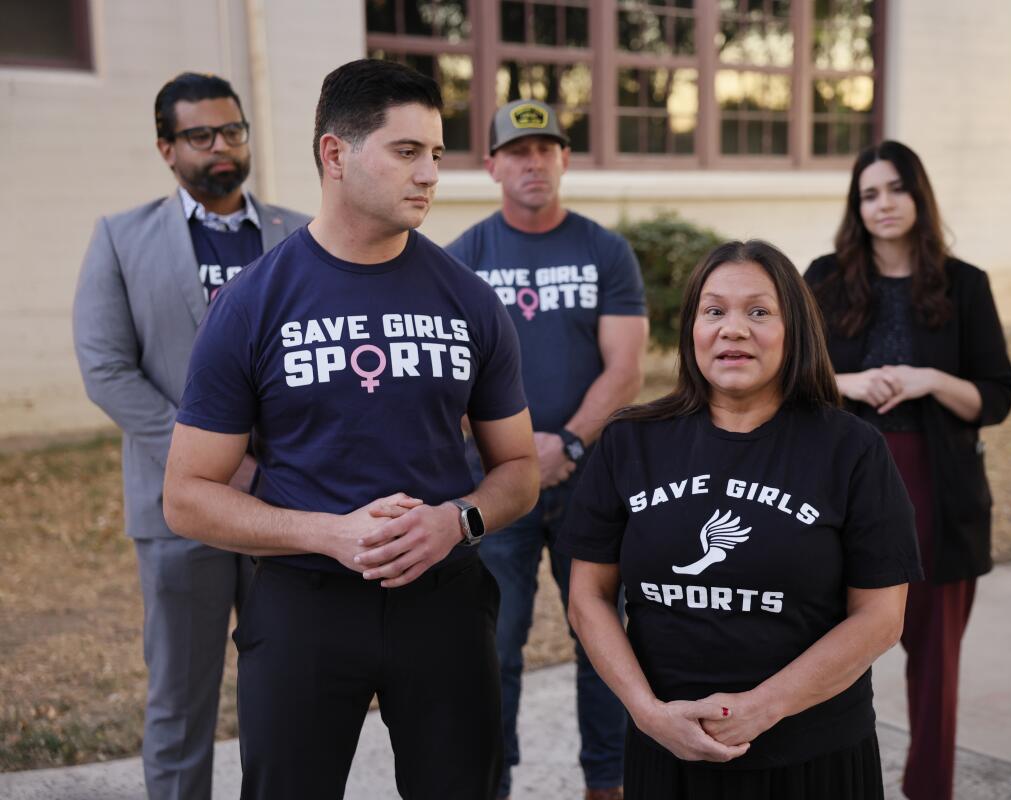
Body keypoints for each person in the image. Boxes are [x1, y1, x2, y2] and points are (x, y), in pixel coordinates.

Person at [160, 59, 540, 800]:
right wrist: (329, 534)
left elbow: (519, 467)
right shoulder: (253, 303)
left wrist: (457, 521)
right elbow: (187, 496)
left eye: (436, 154)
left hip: (445, 601)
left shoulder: (469, 299)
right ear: (335, 154)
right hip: (306, 602)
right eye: (406, 152)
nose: (430, 174)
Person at [557, 239, 922, 800]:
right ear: (691, 330)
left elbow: (879, 617)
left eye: (759, 311)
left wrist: (760, 709)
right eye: (714, 310)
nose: (733, 329)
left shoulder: (851, 450)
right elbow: (589, 598)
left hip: (812, 756)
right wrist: (647, 712)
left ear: (793, 329)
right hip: (666, 753)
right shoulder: (630, 442)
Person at [72, 71, 307, 800]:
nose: (220, 148)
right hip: (180, 516)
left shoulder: (300, 236)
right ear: (166, 149)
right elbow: (107, 368)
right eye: (200, 136)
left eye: (232, 131)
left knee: (294, 696)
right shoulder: (120, 238)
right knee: (181, 701)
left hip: (288, 506)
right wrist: (209, 463)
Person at [446, 98, 648, 800]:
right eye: (518, 151)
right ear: (492, 165)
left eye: (547, 148)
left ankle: (608, 782)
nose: (534, 162)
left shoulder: (603, 250)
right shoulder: (464, 256)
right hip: (498, 487)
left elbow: (624, 368)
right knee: (493, 648)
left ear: (565, 158)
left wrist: (565, 441)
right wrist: (518, 453)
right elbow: (446, 376)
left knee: (604, 641)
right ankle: (491, 782)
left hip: (591, 480)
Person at [804, 140, 1011, 800]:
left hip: (937, 486)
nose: (884, 204)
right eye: (870, 193)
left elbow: (996, 397)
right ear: (856, 205)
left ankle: (929, 791)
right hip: (844, 484)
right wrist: (854, 382)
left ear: (919, 196)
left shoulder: (965, 284)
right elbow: (792, 383)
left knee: (934, 669)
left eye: (896, 189)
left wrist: (930, 379)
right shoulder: (824, 280)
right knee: (824, 653)